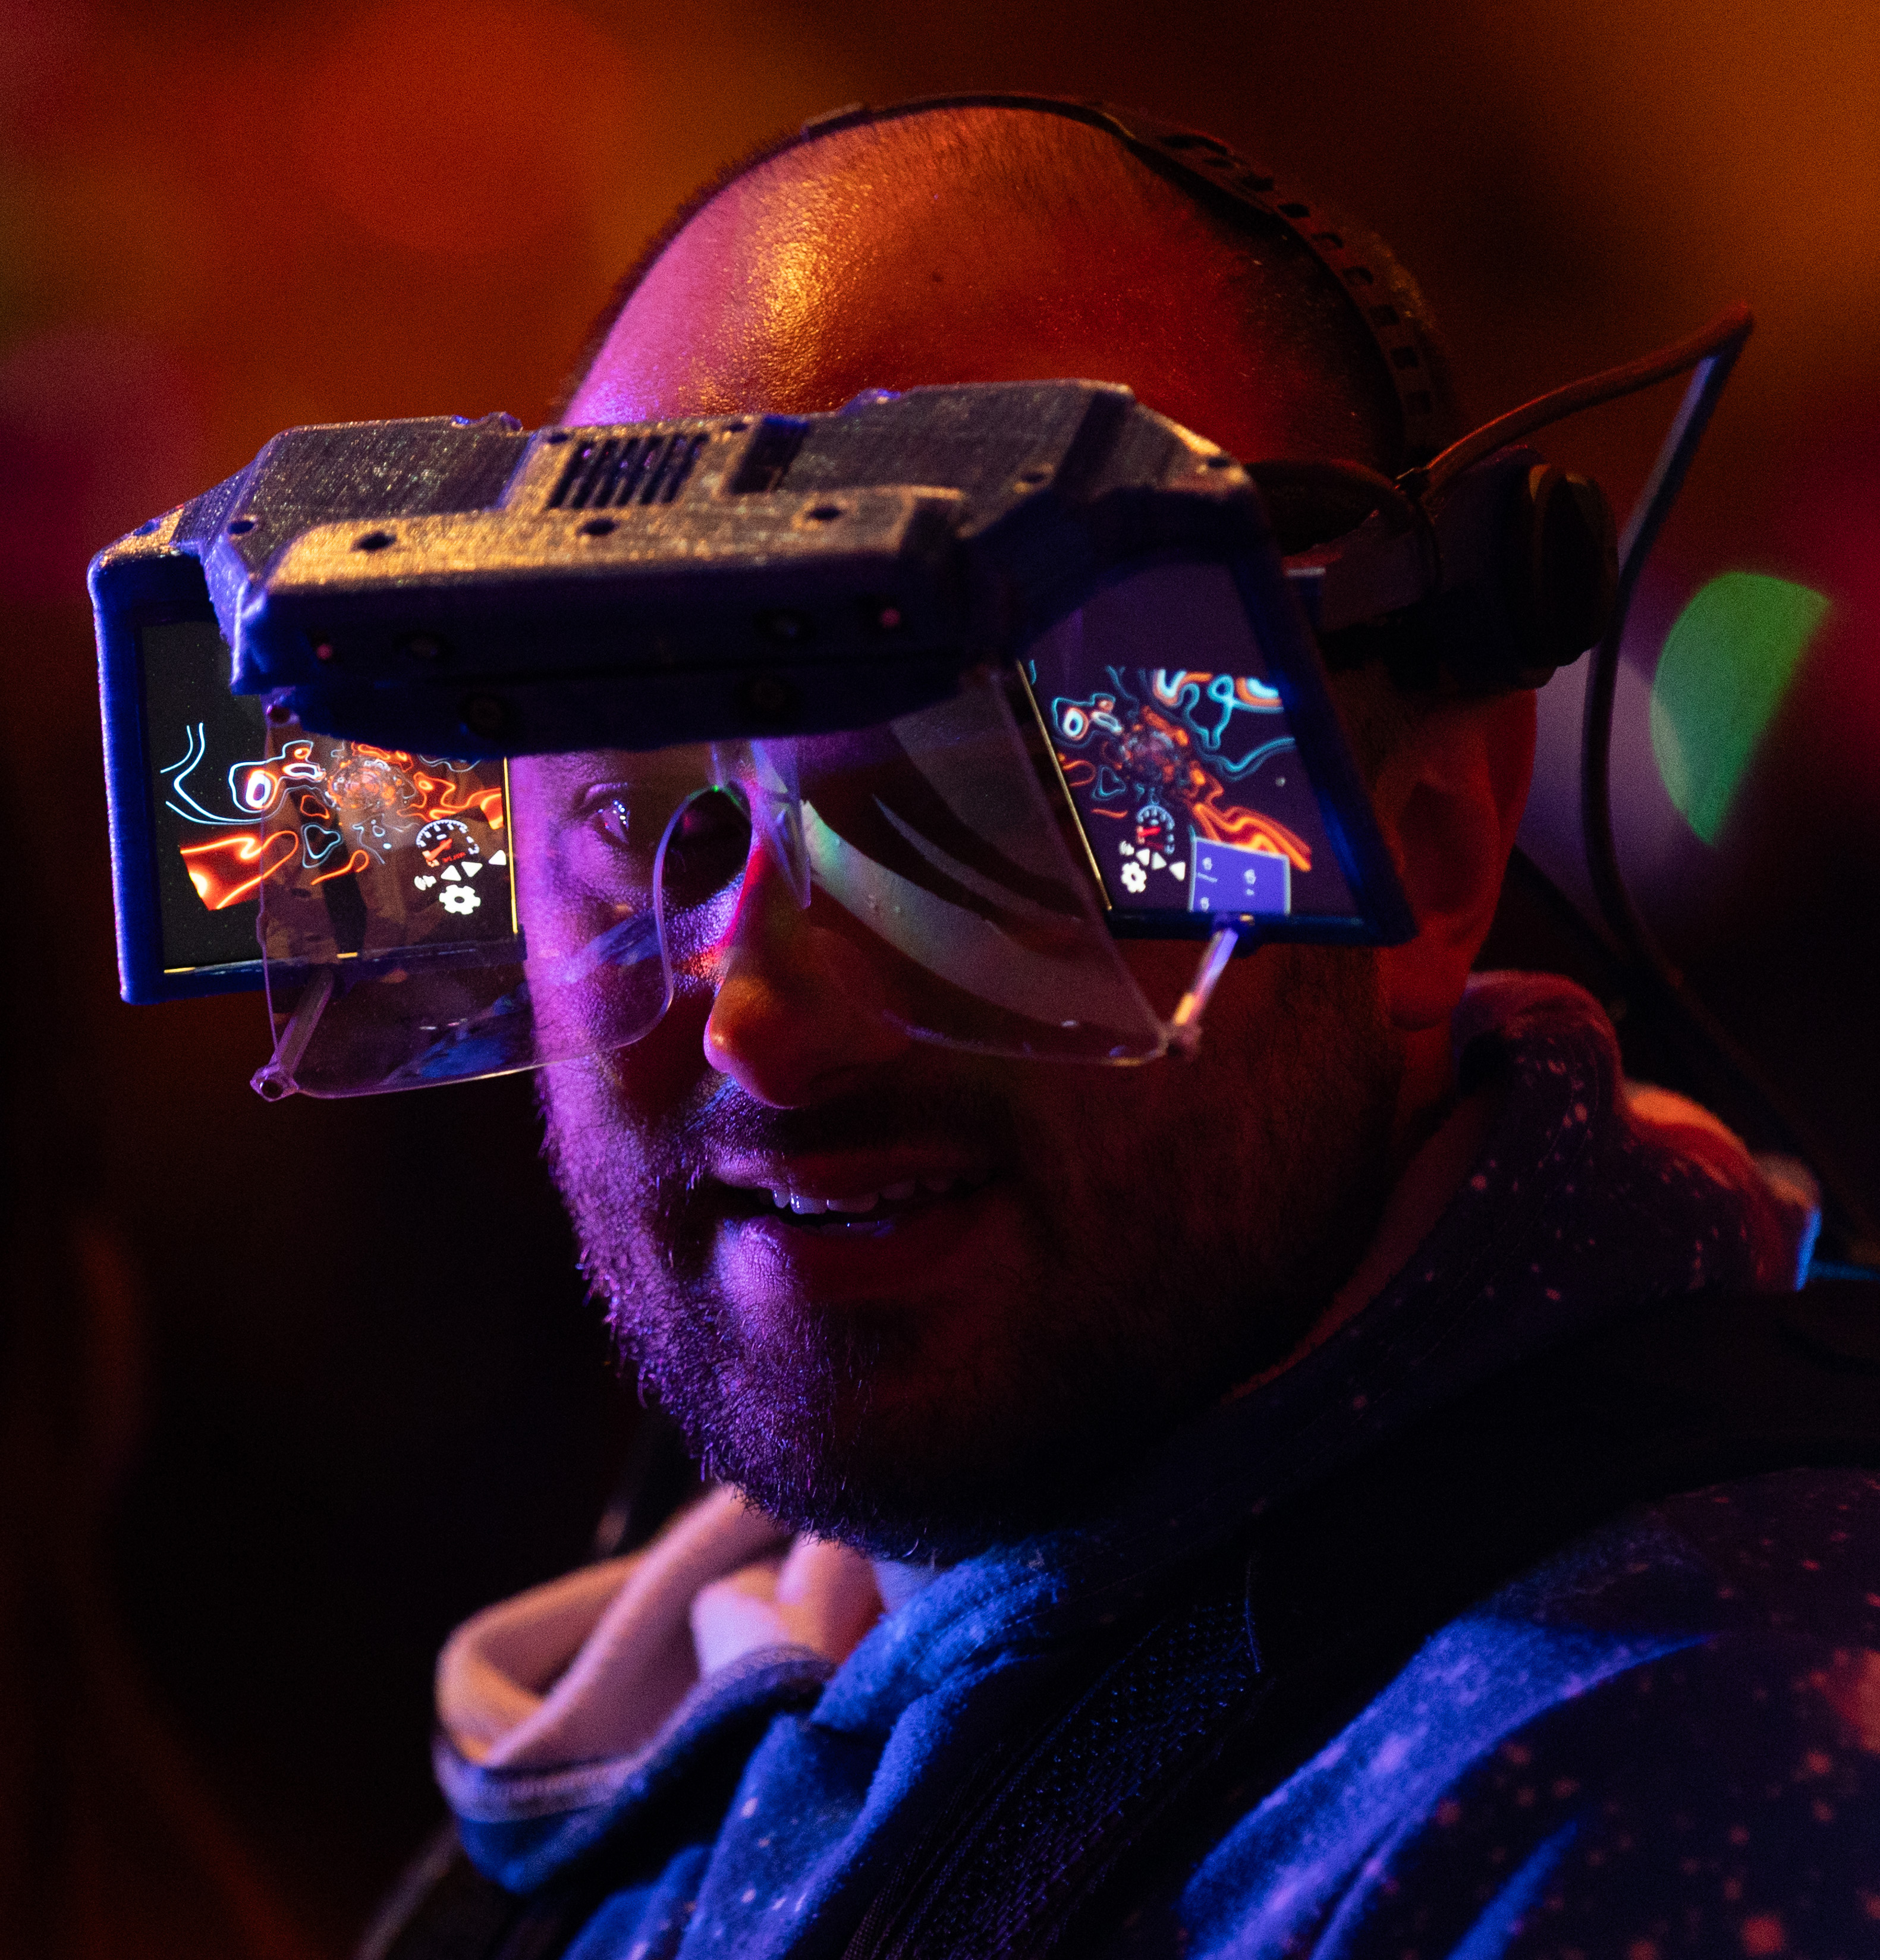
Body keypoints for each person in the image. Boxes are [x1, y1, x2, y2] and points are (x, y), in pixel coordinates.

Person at [385, 101, 1878, 1958]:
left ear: (1406, 853)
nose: (760, 1022)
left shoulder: (1666, 1785)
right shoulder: (706, 1698)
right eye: (633, 818)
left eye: (982, 807)